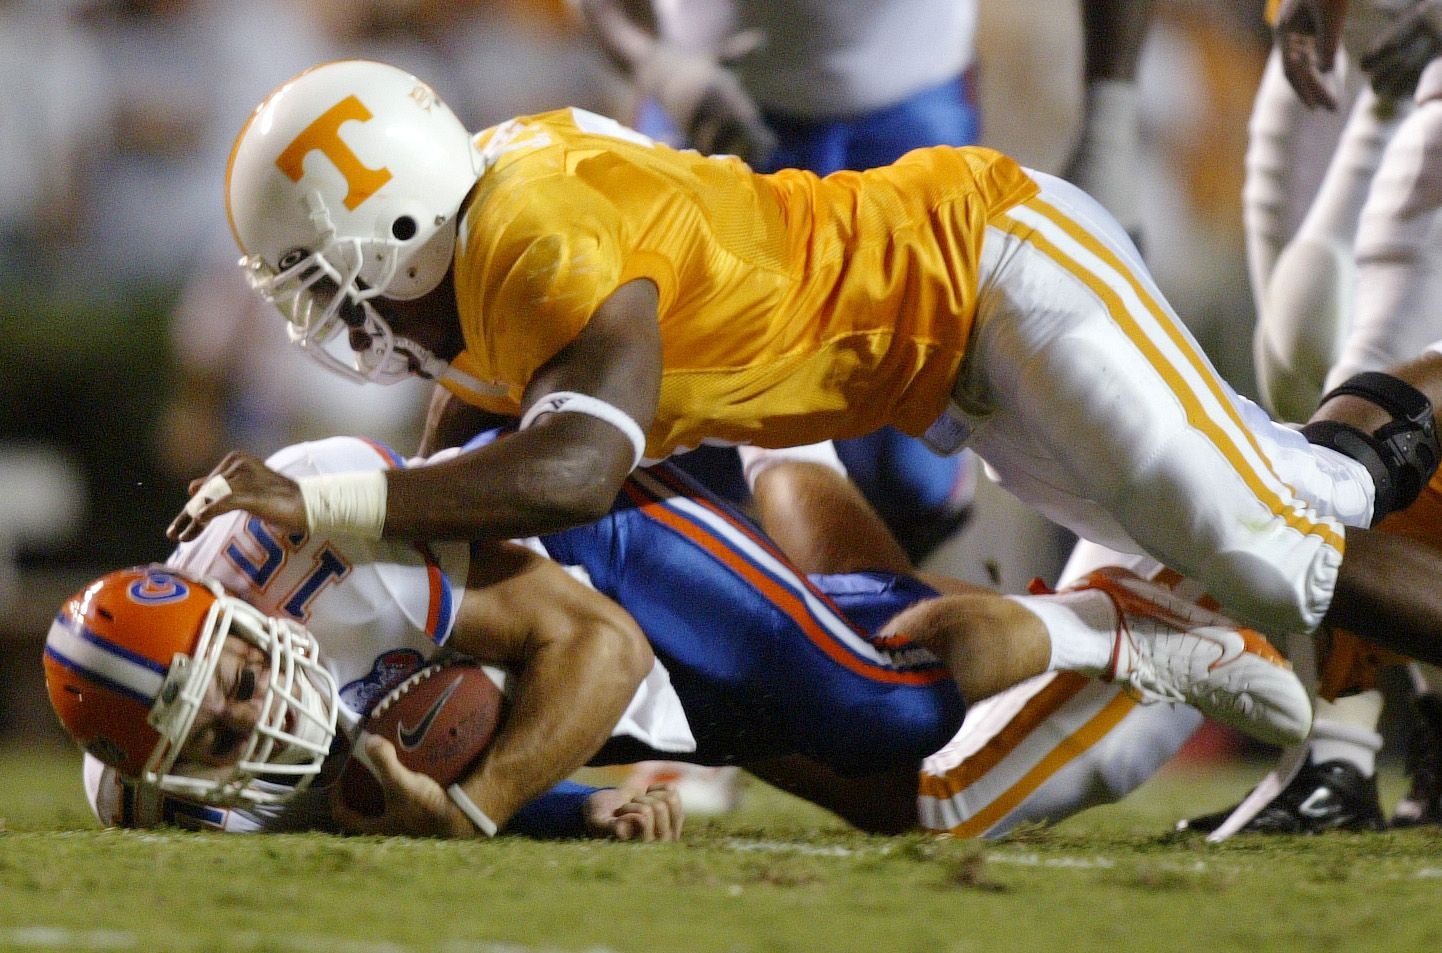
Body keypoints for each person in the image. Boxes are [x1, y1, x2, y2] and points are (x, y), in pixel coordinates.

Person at [174, 58, 1442, 666]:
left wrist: (330, 499)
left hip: (988, 270)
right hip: (947, 367)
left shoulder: (530, 236)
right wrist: (366, 562)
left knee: (1286, 538)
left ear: (392, 223)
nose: (320, 312)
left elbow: (568, 469)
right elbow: (477, 425)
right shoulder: (473, 247)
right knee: (1297, 517)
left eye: (316, 272)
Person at [51, 432, 1310, 838]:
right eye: (209, 734)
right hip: (537, 637)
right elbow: (363, 785)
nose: (244, 716)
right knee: (876, 773)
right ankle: (782, 436)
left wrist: (486, 802)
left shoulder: (332, 567)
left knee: (891, 708)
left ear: (226, 615)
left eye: (227, 681)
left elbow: (589, 642)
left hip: (595, 553)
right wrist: (571, 811)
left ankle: (1115, 626)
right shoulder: (150, 785)